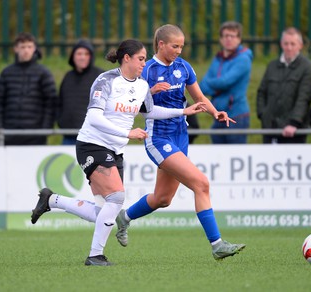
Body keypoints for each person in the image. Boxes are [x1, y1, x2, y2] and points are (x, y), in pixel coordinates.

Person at [30, 39, 206, 266]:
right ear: (127, 58)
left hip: (115, 150)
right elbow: (94, 117)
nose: (144, 63)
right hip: (91, 145)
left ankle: (51, 200)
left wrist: (183, 110)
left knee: (105, 214)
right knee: (117, 197)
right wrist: (127, 132)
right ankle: (95, 256)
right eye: (141, 59)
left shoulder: (142, 85)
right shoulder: (106, 81)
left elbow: (151, 112)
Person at [115, 24, 246, 260]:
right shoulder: (146, 70)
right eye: (175, 46)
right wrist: (150, 92)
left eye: (182, 46)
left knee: (162, 199)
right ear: (161, 44)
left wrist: (215, 112)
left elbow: (199, 97)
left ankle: (124, 217)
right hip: (158, 138)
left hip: (180, 137)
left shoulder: (183, 67)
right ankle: (217, 244)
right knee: (201, 183)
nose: (179, 50)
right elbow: (135, 108)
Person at [256, 27, 311, 144]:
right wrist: (263, 114)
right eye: (286, 43)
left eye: (293, 44)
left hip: (293, 132)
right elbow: (262, 92)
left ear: (300, 45)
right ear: (281, 44)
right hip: (270, 129)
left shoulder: (307, 68)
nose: (289, 47)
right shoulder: (272, 66)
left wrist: (294, 122)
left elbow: (304, 98)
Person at [0, 32, 57, 145]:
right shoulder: (6, 73)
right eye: (22, 47)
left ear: (34, 48)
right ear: (16, 49)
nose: (26, 50)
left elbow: (51, 102)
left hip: (36, 136)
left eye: (29, 47)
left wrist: (45, 130)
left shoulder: (43, 73)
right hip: (9, 135)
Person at [199, 21, 252, 144]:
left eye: (232, 36)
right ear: (221, 39)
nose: (228, 39)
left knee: (236, 158)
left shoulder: (243, 59)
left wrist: (213, 84)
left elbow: (225, 82)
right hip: (218, 115)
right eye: (225, 36)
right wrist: (217, 85)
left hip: (236, 115)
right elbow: (202, 86)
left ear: (239, 39)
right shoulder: (218, 58)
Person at [57, 39, 104, 145]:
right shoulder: (68, 77)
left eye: (86, 54)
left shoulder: (101, 76)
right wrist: (61, 121)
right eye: (79, 53)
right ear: (73, 56)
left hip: (92, 137)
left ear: (91, 56)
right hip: (68, 136)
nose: (82, 57)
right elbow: (59, 102)